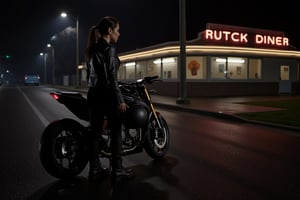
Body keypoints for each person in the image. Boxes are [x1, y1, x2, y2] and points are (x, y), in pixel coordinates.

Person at [84, 16, 134, 182]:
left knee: (95, 133)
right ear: (110, 31)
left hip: (93, 94)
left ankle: (95, 169)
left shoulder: (91, 49)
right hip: (106, 95)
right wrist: (120, 100)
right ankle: (118, 169)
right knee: (116, 131)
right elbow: (111, 78)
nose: (119, 34)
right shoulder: (109, 49)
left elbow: (90, 76)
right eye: (118, 30)